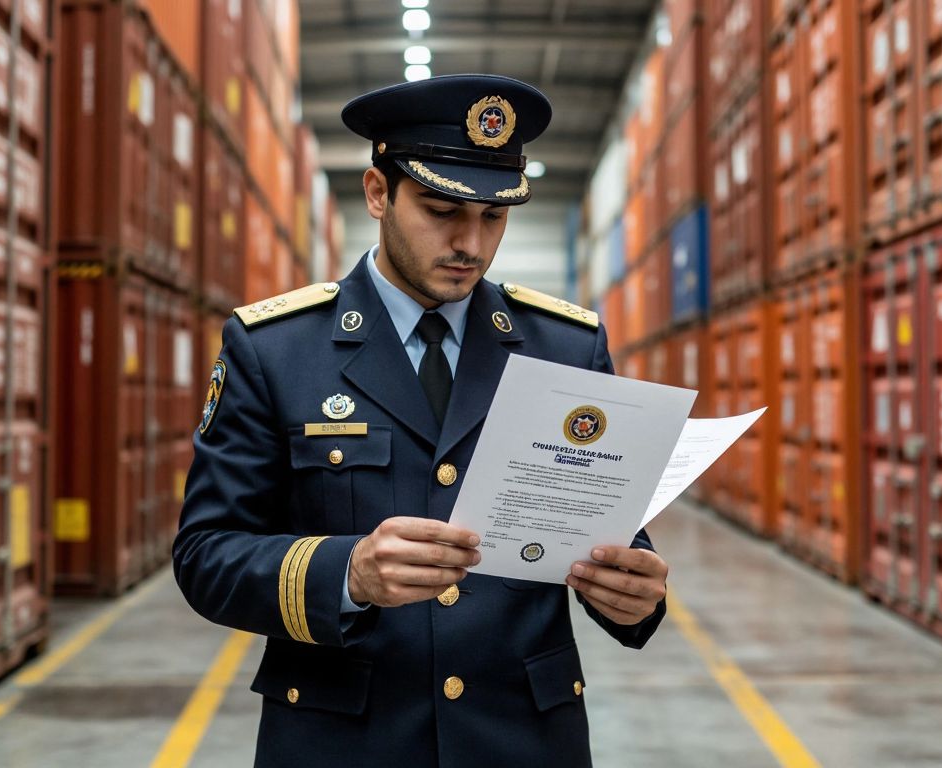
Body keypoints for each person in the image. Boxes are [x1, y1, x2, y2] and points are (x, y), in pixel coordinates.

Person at [174, 74, 668, 768]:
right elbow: (206, 555)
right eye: (442, 210)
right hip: (343, 741)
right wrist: (348, 573)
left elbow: (612, 534)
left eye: (494, 218)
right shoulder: (274, 350)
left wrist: (634, 593)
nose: (471, 243)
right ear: (379, 193)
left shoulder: (567, 347)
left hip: (523, 742)